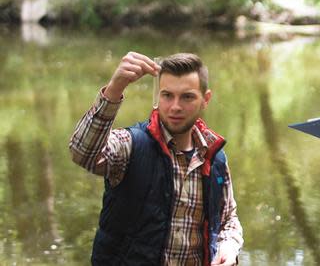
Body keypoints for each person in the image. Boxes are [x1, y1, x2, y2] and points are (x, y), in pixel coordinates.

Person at [69, 52, 243, 265]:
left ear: (205, 100)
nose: (175, 106)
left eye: (187, 97)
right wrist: (115, 89)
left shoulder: (215, 158)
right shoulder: (131, 145)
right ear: (158, 96)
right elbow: (82, 153)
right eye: (167, 95)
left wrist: (229, 247)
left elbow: (228, 220)